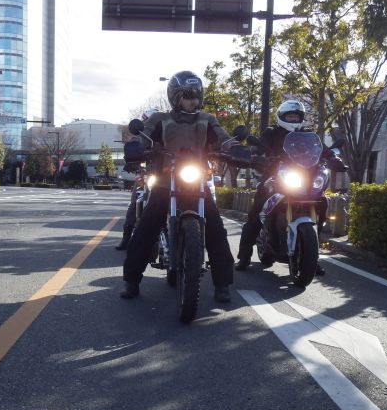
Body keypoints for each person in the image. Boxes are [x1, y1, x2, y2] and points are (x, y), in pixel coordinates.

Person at [119, 71, 245, 303]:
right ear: (176, 97)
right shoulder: (160, 119)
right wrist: (136, 146)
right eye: (188, 96)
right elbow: (144, 136)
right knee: (146, 227)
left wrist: (234, 147)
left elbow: (222, 137)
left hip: (197, 180)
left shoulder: (207, 119)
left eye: (196, 95)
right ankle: (132, 281)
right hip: (166, 181)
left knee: (216, 229)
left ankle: (222, 284)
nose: (193, 100)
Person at [235, 100, 343, 274]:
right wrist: (258, 156)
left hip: (304, 179)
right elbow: (259, 147)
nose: (293, 119)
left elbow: (321, 149)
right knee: (256, 214)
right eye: (290, 116)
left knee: (322, 201)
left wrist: (333, 158)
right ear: (281, 117)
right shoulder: (272, 132)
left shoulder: (307, 134)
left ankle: (311, 258)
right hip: (274, 178)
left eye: (296, 116)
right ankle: (244, 256)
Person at [116, 109, 159, 250]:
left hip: (167, 176)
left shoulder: (169, 137)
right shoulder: (139, 138)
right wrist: (130, 163)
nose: (152, 124)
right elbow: (131, 151)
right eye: (148, 121)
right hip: (146, 175)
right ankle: (126, 238)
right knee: (135, 202)